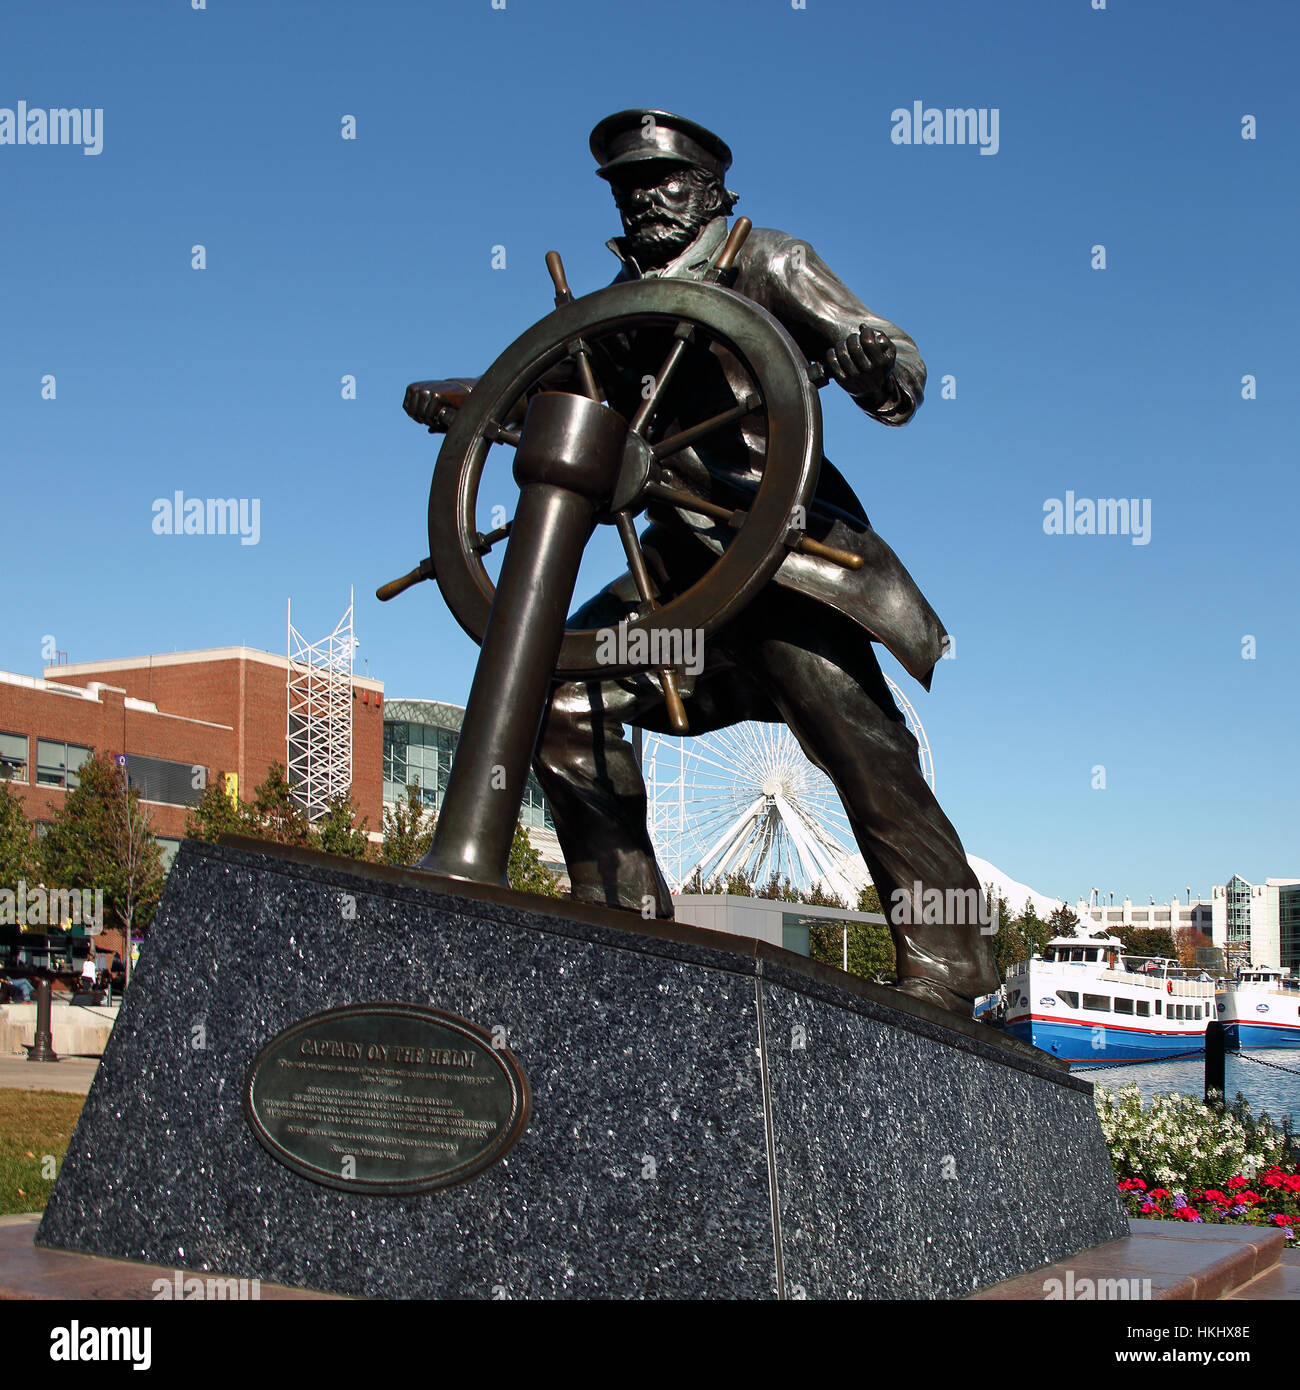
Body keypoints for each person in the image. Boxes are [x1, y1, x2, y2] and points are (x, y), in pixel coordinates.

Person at [403, 110, 997, 1014]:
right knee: (564, 691)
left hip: (788, 560)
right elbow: (572, 410)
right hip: (675, 580)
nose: (646, 201)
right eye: (627, 188)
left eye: (665, 184)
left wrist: (874, 362)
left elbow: (894, 368)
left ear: (714, 190)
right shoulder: (616, 306)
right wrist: (478, 402)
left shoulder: (771, 264)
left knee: (862, 753)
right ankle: (627, 924)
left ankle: (954, 961)